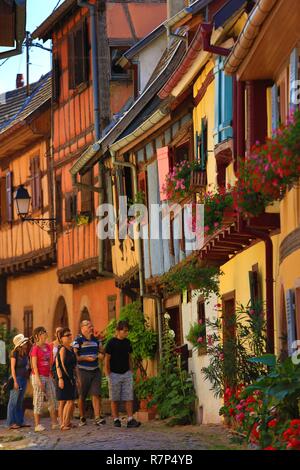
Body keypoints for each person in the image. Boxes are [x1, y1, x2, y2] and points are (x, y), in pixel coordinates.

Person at [105, 320, 141, 428]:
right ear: (118, 331)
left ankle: (130, 419)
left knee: (128, 396)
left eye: (127, 331)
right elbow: (107, 359)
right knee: (114, 398)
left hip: (126, 373)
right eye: (124, 331)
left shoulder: (127, 342)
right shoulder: (111, 343)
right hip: (114, 374)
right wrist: (108, 374)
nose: (126, 333)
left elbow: (129, 357)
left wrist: (131, 371)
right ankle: (116, 419)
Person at [73, 320, 106, 427]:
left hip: (95, 370)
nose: (91, 328)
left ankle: (97, 417)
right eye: (88, 326)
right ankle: (82, 417)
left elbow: (102, 352)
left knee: (96, 394)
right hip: (83, 371)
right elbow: (75, 357)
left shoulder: (96, 340)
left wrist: (101, 354)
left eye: (92, 326)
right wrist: (85, 358)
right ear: (82, 328)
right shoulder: (78, 340)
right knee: (82, 395)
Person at [30, 326, 59, 432]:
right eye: (43, 332)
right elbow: (34, 366)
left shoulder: (47, 346)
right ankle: (37, 425)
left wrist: (50, 374)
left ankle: (54, 423)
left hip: (47, 376)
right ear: (37, 335)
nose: (46, 333)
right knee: (38, 399)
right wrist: (38, 380)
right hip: (38, 376)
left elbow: (50, 362)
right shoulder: (35, 348)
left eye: (45, 331)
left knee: (53, 398)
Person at [6, 334, 31, 429]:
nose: (26, 344)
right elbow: (12, 368)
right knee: (13, 401)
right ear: (20, 344)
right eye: (24, 343)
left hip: (23, 379)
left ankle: (20, 421)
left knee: (20, 401)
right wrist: (15, 381)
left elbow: (26, 366)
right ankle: (11, 423)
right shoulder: (14, 353)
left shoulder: (24, 353)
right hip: (17, 379)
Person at [55, 328, 78, 431]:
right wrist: (60, 378)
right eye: (67, 335)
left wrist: (76, 378)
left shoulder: (71, 349)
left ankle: (67, 422)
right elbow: (58, 365)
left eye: (70, 334)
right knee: (68, 401)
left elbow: (74, 365)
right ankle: (63, 424)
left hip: (71, 377)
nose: (69, 336)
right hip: (64, 377)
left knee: (71, 401)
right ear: (61, 338)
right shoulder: (62, 349)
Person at [50, 327, 64, 424]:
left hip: (64, 372)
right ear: (55, 334)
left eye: (61, 332)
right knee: (56, 396)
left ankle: (64, 418)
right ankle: (58, 419)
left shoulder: (65, 344)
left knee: (64, 396)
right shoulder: (51, 345)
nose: (59, 334)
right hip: (54, 372)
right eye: (58, 332)